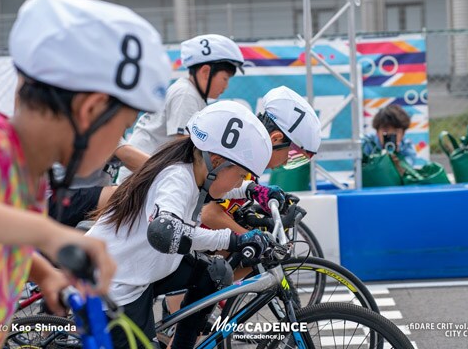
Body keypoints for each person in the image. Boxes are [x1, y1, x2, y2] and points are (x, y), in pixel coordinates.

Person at [0, 0, 171, 348]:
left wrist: (45, 273)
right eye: (123, 126)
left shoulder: (31, 171)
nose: (121, 139)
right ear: (90, 111)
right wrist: (49, 234)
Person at [86, 101, 273, 348]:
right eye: (241, 175)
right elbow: (166, 231)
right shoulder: (176, 178)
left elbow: (220, 187)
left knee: (214, 272)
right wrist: (232, 239)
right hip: (113, 289)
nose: (239, 181)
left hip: (134, 271)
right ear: (216, 161)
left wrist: (251, 190)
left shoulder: (192, 172)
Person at [116, 33, 245, 183]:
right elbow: (186, 146)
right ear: (206, 72)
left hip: (148, 174)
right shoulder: (186, 94)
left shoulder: (193, 94)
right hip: (139, 178)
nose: (226, 85)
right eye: (225, 78)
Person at [201, 85, 322, 234]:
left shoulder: (249, 159)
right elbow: (208, 214)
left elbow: (228, 207)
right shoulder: (242, 159)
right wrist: (251, 238)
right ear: (275, 139)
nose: (284, 164)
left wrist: (261, 218)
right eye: (290, 156)